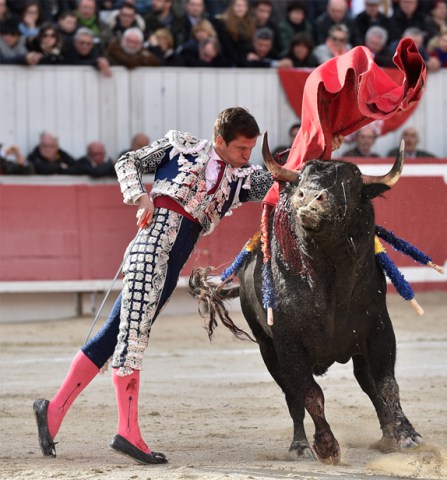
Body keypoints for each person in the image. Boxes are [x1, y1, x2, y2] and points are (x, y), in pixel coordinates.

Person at [32, 107, 344, 465]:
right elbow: (127, 161)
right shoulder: (180, 147)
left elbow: (284, 176)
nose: (247, 156)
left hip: (170, 268)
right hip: (150, 251)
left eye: (250, 150)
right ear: (220, 140)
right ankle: (127, 432)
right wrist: (140, 197)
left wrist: (320, 146)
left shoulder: (239, 178)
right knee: (132, 338)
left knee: (112, 335)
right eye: (242, 149)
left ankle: (52, 412)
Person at [214, 0, 256, 67]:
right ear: (232, 7)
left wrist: (251, 54)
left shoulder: (249, 25)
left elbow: (248, 46)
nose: (241, 9)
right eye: (238, 6)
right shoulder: (222, 24)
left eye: (244, 6)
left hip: (243, 61)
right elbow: (228, 48)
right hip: (228, 63)